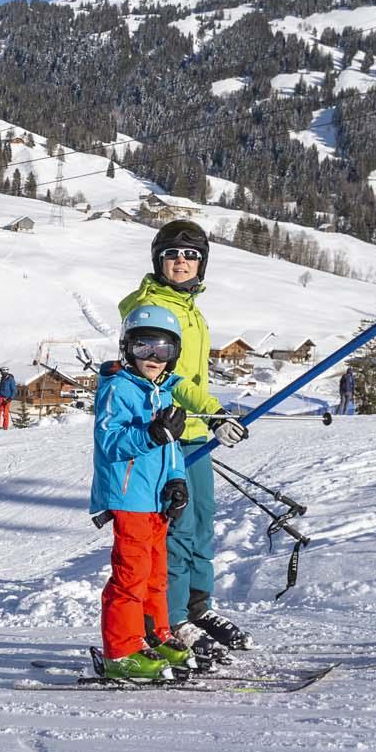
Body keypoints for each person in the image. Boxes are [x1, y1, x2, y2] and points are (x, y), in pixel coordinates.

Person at [118, 220, 250, 658]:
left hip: (196, 433)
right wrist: (210, 412)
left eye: (191, 255)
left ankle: (199, 607)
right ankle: (171, 619)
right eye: (173, 253)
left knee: (202, 523)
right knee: (175, 528)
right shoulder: (153, 305)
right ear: (158, 260)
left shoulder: (192, 308)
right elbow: (165, 373)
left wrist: (211, 415)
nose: (182, 261)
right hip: (168, 431)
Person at [91, 305, 200, 681]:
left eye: (163, 350)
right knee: (131, 575)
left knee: (156, 575)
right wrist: (151, 434)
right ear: (127, 349)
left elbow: (171, 447)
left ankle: (153, 635)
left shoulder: (161, 392)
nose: (153, 358)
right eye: (144, 348)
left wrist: (176, 480)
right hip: (129, 497)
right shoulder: (118, 389)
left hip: (155, 500)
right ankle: (121, 651)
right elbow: (110, 442)